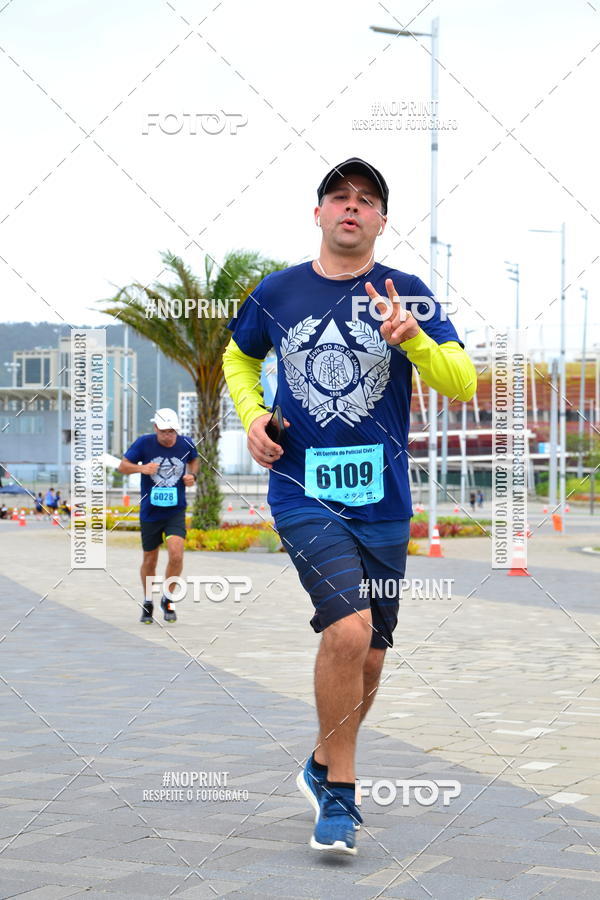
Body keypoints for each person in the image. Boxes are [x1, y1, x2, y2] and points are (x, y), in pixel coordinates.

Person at [223, 157, 477, 855]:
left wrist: (415, 339)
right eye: (340, 196)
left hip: (383, 498)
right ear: (319, 213)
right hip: (302, 488)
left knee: (371, 653)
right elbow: (238, 359)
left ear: (381, 221)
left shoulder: (409, 294)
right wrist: (251, 418)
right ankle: (341, 792)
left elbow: (462, 381)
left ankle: (322, 759)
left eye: (367, 200)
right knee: (346, 632)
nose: (352, 207)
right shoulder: (278, 292)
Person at [117, 408, 198, 624]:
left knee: (176, 554)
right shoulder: (144, 443)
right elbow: (122, 467)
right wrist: (140, 469)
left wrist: (192, 475)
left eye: (172, 432)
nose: (168, 436)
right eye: (164, 432)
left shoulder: (186, 443)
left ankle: (168, 598)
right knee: (150, 559)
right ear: (155, 429)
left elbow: (194, 460)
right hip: (150, 512)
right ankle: (147, 601)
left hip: (175, 510)